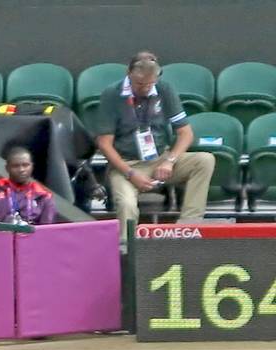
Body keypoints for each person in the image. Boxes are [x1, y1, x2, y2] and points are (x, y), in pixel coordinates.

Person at [91, 52, 213, 237]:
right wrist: (130, 173)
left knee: (204, 160)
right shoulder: (112, 94)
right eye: (140, 84)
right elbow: (104, 143)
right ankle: (127, 248)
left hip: (160, 159)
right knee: (126, 204)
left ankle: (189, 226)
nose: (146, 88)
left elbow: (185, 133)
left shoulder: (164, 89)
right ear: (129, 74)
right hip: (127, 165)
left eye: (150, 83)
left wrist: (170, 160)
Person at [0, 145, 58, 228]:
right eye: (16, 166)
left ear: (32, 166)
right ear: (7, 168)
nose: (21, 170)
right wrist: (1, 232)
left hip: (31, 241)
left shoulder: (43, 196)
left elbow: (47, 230)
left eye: (25, 165)